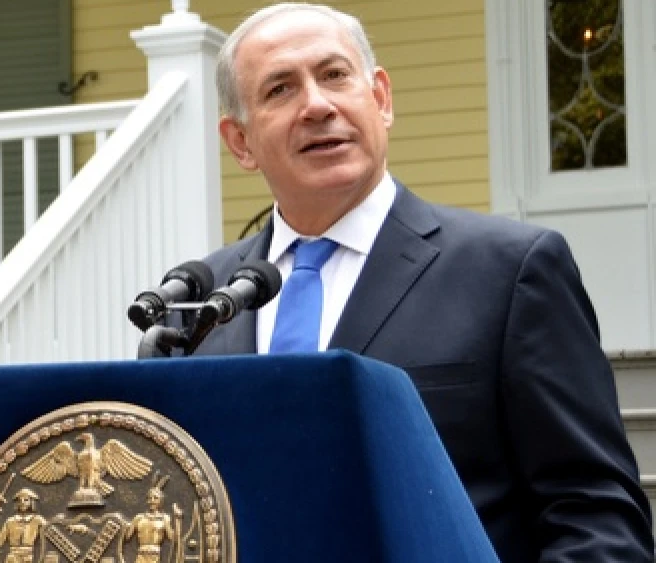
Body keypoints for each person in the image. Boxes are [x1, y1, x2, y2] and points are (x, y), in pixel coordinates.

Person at [192, 3, 654, 561]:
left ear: (380, 99)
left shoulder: (511, 272)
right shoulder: (200, 303)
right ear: (240, 141)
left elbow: (596, 516)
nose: (317, 105)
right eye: (280, 90)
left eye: (335, 75)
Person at [124, 475, 177, 563]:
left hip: (154, 556)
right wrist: (125, 526)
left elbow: (172, 538)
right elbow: (127, 537)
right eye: (150, 498)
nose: (152, 501)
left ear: (161, 501)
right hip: (141, 555)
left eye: (155, 498)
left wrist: (177, 520)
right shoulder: (138, 518)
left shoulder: (164, 518)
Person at [0, 488, 47, 563]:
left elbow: (50, 532)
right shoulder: (10, 521)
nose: (22, 502)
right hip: (12, 559)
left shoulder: (38, 520)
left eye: (26, 500)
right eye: (19, 500)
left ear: (32, 502)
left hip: (29, 558)